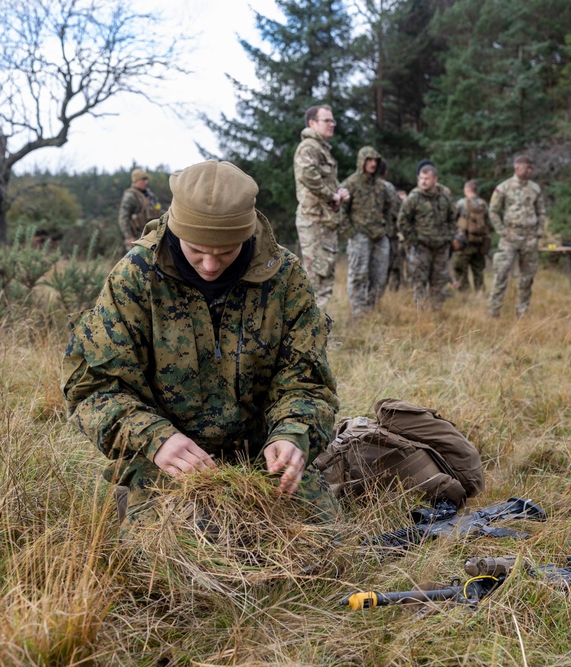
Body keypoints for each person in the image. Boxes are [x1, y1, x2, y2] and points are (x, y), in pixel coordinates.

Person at [62, 160, 341, 531]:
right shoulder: (136, 277)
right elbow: (93, 389)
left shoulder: (285, 277)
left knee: (322, 541)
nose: (210, 265)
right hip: (168, 459)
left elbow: (306, 381)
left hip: (262, 455)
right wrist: (155, 438)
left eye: (226, 252)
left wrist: (292, 434)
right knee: (166, 559)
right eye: (196, 250)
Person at [293, 105, 349, 311]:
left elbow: (323, 182)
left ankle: (316, 333)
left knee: (324, 280)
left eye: (333, 121)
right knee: (315, 282)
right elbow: (307, 176)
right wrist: (331, 195)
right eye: (327, 120)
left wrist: (339, 192)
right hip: (314, 221)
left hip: (324, 222)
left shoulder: (321, 149)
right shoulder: (309, 147)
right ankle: (310, 336)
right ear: (312, 123)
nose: (332, 124)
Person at [487, 155, 546, 318]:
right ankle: (493, 311)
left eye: (530, 167)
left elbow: (541, 211)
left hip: (529, 237)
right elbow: (493, 211)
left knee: (527, 277)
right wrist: (503, 232)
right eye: (526, 167)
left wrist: (539, 231)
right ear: (517, 167)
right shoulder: (504, 188)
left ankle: (522, 311)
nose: (529, 170)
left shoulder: (535, 189)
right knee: (501, 274)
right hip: (510, 237)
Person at [396, 162, 457, 311]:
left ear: (435, 179)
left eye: (427, 178)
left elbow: (453, 217)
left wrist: (448, 236)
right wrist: (412, 240)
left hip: (441, 247)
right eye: (421, 178)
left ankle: (436, 312)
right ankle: (421, 314)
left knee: (439, 281)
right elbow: (402, 221)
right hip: (420, 247)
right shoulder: (414, 198)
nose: (423, 181)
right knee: (419, 281)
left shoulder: (444, 197)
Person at [340, 146, 391, 318]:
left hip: (379, 235)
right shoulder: (350, 183)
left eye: (375, 161)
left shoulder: (381, 186)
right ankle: (358, 312)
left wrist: (386, 229)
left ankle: (372, 308)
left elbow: (389, 209)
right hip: (360, 234)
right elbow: (340, 210)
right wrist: (351, 233)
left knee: (380, 275)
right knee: (359, 274)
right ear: (362, 162)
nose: (372, 164)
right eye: (369, 160)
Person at [451, 180, 493, 293]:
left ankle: (465, 295)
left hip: (463, 243)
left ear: (466, 190)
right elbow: (489, 224)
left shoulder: (461, 203)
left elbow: (452, 218)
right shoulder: (484, 204)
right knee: (478, 271)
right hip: (479, 243)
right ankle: (480, 294)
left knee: (460, 270)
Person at [378, 158, 406, 292]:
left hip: (370, 233)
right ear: (385, 172)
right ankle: (392, 293)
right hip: (389, 234)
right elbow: (398, 211)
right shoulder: (389, 188)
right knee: (394, 266)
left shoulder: (367, 185)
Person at [117, 168, 161, 251]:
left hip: (152, 235)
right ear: (136, 181)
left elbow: (158, 210)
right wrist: (129, 237)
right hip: (138, 237)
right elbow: (123, 218)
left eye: (146, 179)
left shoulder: (149, 195)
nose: (146, 182)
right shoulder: (130, 196)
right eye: (143, 179)